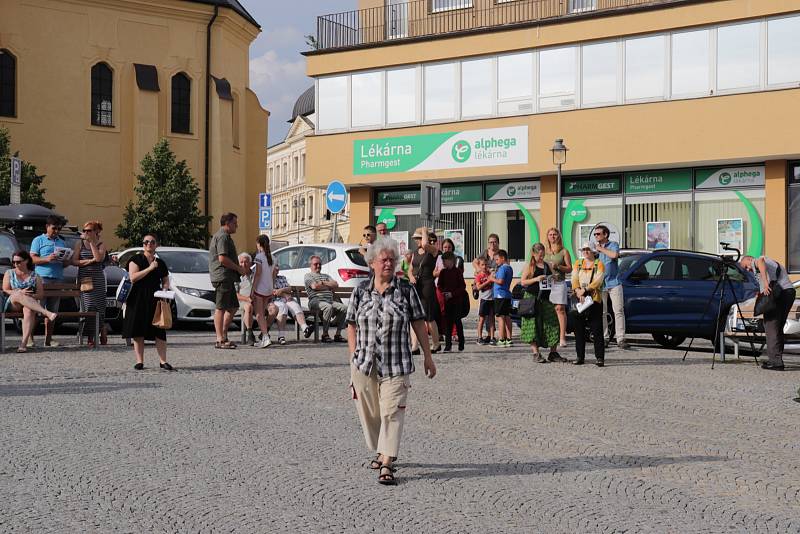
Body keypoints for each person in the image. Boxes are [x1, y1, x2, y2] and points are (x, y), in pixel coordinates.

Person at [346, 237, 436, 486]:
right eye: (383, 259)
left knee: (392, 411)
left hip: (396, 363)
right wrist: (353, 354)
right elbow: (351, 324)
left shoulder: (406, 290)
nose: (388, 263)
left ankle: (387, 461)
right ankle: (380, 447)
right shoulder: (361, 290)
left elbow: (418, 322)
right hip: (364, 362)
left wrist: (428, 357)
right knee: (371, 411)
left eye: (392, 259)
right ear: (372, 263)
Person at [121, 234, 175, 371]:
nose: (149, 244)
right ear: (143, 244)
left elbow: (165, 279)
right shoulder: (135, 259)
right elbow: (133, 278)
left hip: (156, 298)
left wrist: (165, 288)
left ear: (156, 244)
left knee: (160, 330)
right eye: (146, 242)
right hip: (138, 297)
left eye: (152, 242)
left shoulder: (160, 263)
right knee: (138, 330)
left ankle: (163, 361)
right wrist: (150, 268)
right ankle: (140, 361)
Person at [740, 255, 796, 371]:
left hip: (778, 295)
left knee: (771, 326)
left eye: (746, 266)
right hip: (788, 292)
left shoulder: (758, 260)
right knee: (778, 327)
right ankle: (776, 359)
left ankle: (775, 362)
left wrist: (765, 284)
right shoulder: (770, 263)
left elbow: (760, 261)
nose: (747, 270)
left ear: (750, 260)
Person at [2, 250, 57, 353]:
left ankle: (23, 344)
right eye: (14, 262)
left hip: (29, 304)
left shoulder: (35, 276)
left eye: (18, 262)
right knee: (19, 294)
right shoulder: (9, 273)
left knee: (29, 310)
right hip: (12, 303)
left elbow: (40, 295)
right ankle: (46, 312)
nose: (16, 264)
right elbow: (6, 290)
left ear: (26, 261)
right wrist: (20, 291)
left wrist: (31, 295)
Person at [30, 214, 70, 347]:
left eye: (59, 229)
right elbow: (33, 259)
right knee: (36, 310)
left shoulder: (61, 242)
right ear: (47, 227)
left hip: (57, 280)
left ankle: (49, 339)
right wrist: (47, 259)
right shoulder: (38, 240)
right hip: (42, 280)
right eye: (54, 228)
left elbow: (64, 264)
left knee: (53, 312)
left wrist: (66, 260)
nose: (56, 231)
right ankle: (29, 337)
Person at [519, 243, 563, 363]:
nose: (541, 257)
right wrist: (536, 279)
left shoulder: (547, 264)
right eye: (539, 255)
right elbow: (522, 282)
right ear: (533, 254)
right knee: (532, 325)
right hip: (532, 298)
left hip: (546, 299)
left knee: (553, 323)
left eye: (543, 255)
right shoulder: (529, 266)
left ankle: (553, 352)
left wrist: (554, 277)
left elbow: (555, 276)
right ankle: (535, 353)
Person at [209, 213, 247, 349]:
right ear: (227, 223)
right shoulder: (223, 236)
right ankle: (219, 339)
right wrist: (238, 268)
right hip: (222, 276)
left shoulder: (225, 236)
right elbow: (222, 259)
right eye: (235, 223)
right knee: (221, 308)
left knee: (233, 306)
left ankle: (223, 335)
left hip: (227, 277)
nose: (237, 225)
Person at [71, 220, 108, 347]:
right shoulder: (79, 244)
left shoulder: (101, 244)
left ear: (96, 231)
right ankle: (90, 337)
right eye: (85, 230)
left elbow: (98, 258)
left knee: (99, 308)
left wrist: (92, 243)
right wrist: (89, 261)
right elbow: (75, 261)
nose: (86, 233)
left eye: (89, 230)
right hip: (85, 279)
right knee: (88, 307)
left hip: (98, 279)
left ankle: (102, 329)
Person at [593, 225, 629, 350]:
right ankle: (605, 338)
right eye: (595, 234)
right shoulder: (595, 249)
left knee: (618, 310)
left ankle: (621, 338)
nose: (596, 236)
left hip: (614, 283)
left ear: (605, 234)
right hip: (601, 284)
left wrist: (600, 249)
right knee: (602, 312)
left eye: (598, 234)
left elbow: (614, 255)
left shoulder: (613, 244)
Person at [571, 243, 606, 367]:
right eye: (584, 249)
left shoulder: (599, 264)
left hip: (594, 299)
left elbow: (598, 280)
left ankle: (600, 357)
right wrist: (577, 290)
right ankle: (580, 356)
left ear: (593, 251)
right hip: (580, 299)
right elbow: (574, 278)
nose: (585, 251)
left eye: (588, 249)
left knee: (597, 329)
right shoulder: (578, 263)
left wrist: (584, 291)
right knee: (579, 330)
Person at [409, 227, 441, 353]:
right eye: (416, 238)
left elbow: (425, 244)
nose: (417, 241)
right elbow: (410, 269)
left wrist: (424, 232)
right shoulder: (415, 252)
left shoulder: (432, 251)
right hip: (416, 285)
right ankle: (414, 346)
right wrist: (411, 276)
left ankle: (436, 343)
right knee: (415, 316)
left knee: (429, 317)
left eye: (418, 238)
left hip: (427, 285)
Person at [304, 255, 347, 343]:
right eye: (316, 264)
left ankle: (338, 334)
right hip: (316, 301)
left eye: (320, 264)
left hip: (329, 301)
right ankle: (325, 334)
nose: (318, 266)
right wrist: (328, 286)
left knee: (345, 308)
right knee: (328, 307)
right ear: (310, 265)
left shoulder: (326, 276)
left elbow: (335, 285)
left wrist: (323, 282)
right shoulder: (308, 276)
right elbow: (314, 286)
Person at [544, 227, 573, 348]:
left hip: (560, 282)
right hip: (547, 284)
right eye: (550, 234)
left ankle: (562, 337)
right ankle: (550, 336)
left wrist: (559, 266)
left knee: (560, 309)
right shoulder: (544, 251)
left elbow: (570, 268)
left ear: (559, 236)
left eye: (555, 234)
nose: (552, 236)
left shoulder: (564, 251)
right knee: (548, 309)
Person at [272, 264, 311, 344]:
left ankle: (305, 329)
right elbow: (274, 292)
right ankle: (281, 336)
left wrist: (282, 290)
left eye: (277, 267)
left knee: (295, 305)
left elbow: (289, 289)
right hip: (275, 301)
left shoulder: (282, 278)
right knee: (283, 307)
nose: (277, 268)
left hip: (286, 299)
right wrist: (285, 294)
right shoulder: (268, 280)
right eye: (275, 267)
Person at [437, 251, 466, 352]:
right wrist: (443, 292)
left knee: (458, 322)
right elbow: (439, 285)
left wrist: (452, 294)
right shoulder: (443, 272)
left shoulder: (457, 272)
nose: (444, 263)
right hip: (447, 301)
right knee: (448, 324)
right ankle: (448, 345)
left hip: (457, 301)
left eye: (445, 261)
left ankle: (461, 343)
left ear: (451, 261)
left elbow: (462, 286)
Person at [252, 234, 277, 348]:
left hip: (260, 289)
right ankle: (264, 337)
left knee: (259, 314)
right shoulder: (273, 257)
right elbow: (273, 275)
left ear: (259, 244)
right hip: (268, 289)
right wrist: (271, 288)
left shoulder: (259, 257)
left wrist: (252, 289)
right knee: (262, 313)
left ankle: (265, 337)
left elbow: (257, 274)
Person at [489, 249, 514, 347]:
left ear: (503, 258)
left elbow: (500, 281)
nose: (496, 262)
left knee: (500, 317)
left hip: (500, 295)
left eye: (497, 259)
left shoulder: (503, 268)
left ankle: (502, 339)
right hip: (507, 295)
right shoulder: (509, 268)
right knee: (507, 316)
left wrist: (492, 278)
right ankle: (509, 338)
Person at [474, 256, 495, 345]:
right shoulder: (479, 276)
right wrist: (487, 281)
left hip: (492, 299)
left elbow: (494, 278)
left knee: (491, 319)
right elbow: (478, 287)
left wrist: (492, 275)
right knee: (482, 319)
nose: (484, 266)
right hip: (484, 299)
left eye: (486, 264)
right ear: (479, 265)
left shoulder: (490, 274)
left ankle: (492, 337)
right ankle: (479, 337)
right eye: (482, 265)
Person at [237, 252, 257, 346]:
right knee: (248, 307)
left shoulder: (256, 275)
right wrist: (247, 299)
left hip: (257, 301)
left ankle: (264, 334)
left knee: (273, 308)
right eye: (241, 262)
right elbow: (235, 294)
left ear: (250, 263)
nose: (243, 264)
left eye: (246, 262)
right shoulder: (237, 276)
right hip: (242, 302)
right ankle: (250, 333)